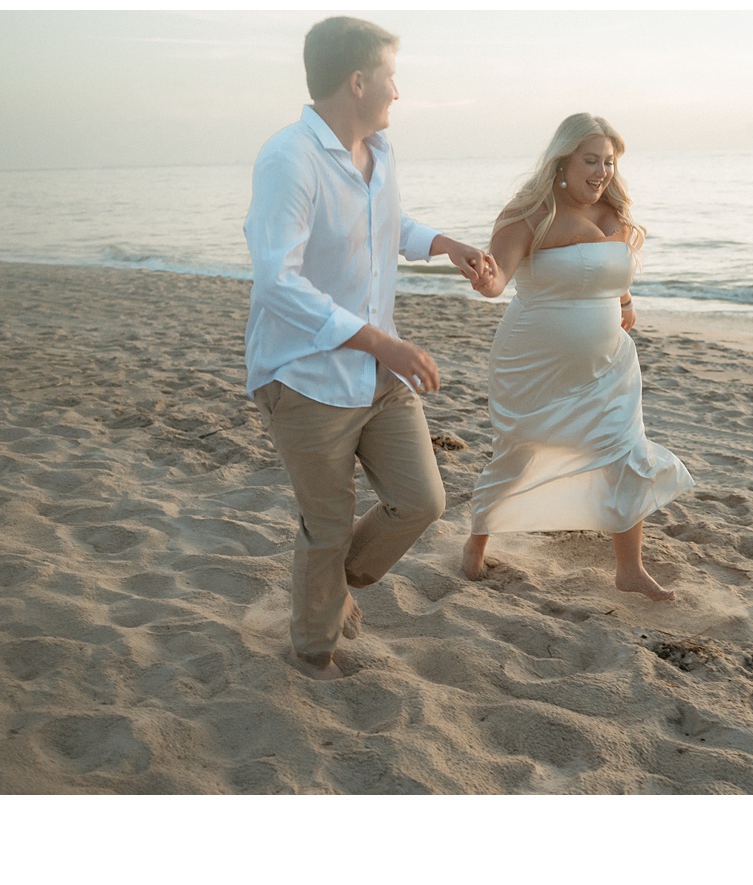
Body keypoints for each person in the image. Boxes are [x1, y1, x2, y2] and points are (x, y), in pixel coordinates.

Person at [244, 17, 495, 680]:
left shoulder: (381, 154)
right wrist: (384, 341)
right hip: (303, 377)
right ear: (357, 81)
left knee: (421, 501)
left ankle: (327, 589)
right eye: (390, 77)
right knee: (325, 528)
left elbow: (387, 227)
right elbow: (277, 283)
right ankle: (312, 650)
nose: (397, 93)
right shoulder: (287, 159)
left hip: (375, 374)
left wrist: (445, 244)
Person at [462, 113, 694, 601]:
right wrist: (485, 279)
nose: (602, 171)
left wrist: (626, 303)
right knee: (518, 450)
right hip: (533, 362)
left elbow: (616, 275)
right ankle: (476, 543)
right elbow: (499, 279)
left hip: (607, 364)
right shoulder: (530, 213)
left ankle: (629, 569)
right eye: (591, 160)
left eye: (609, 161)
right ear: (562, 160)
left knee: (625, 452)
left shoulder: (615, 212)